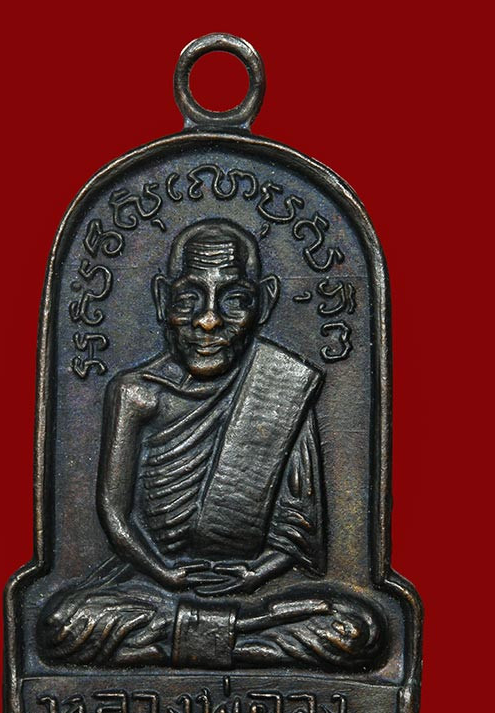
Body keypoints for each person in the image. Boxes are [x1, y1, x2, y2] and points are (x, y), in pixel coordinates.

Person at [39, 219, 384, 669]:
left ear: (265, 303)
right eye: (189, 299)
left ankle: (179, 642)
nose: (208, 320)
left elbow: (297, 528)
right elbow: (114, 513)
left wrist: (255, 575)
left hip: (248, 592)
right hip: (151, 587)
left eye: (234, 301)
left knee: (358, 630)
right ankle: (239, 641)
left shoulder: (280, 385)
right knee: (60, 626)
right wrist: (163, 573)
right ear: (162, 300)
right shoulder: (137, 392)